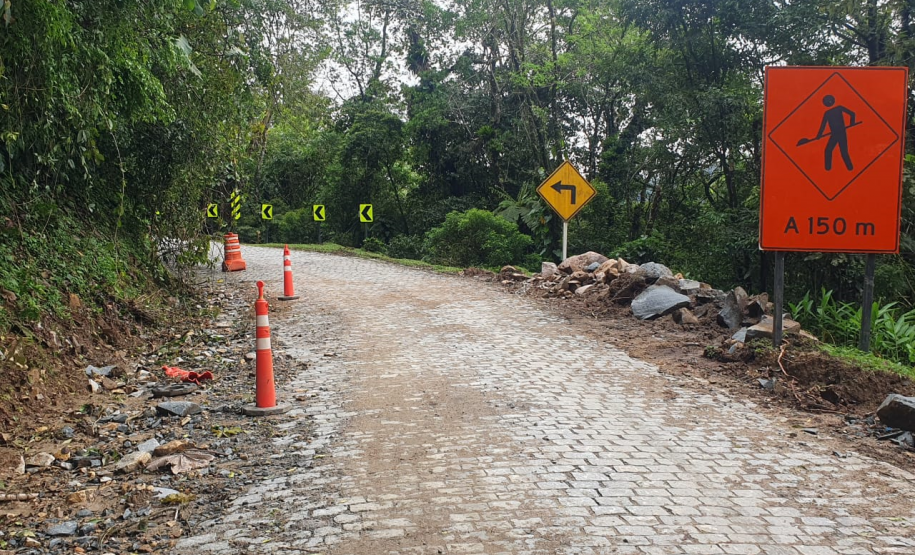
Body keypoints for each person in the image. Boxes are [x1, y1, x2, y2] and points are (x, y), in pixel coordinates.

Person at [814, 95, 856, 171]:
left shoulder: (839, 108)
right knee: (829, 150)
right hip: (835, 134)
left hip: (841, 133)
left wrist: (852, 124)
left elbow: (852, 114)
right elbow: (823, 125)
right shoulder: (828, 112)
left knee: (843, 151)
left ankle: (850, 168)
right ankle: (828, 169)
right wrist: (819, 136)